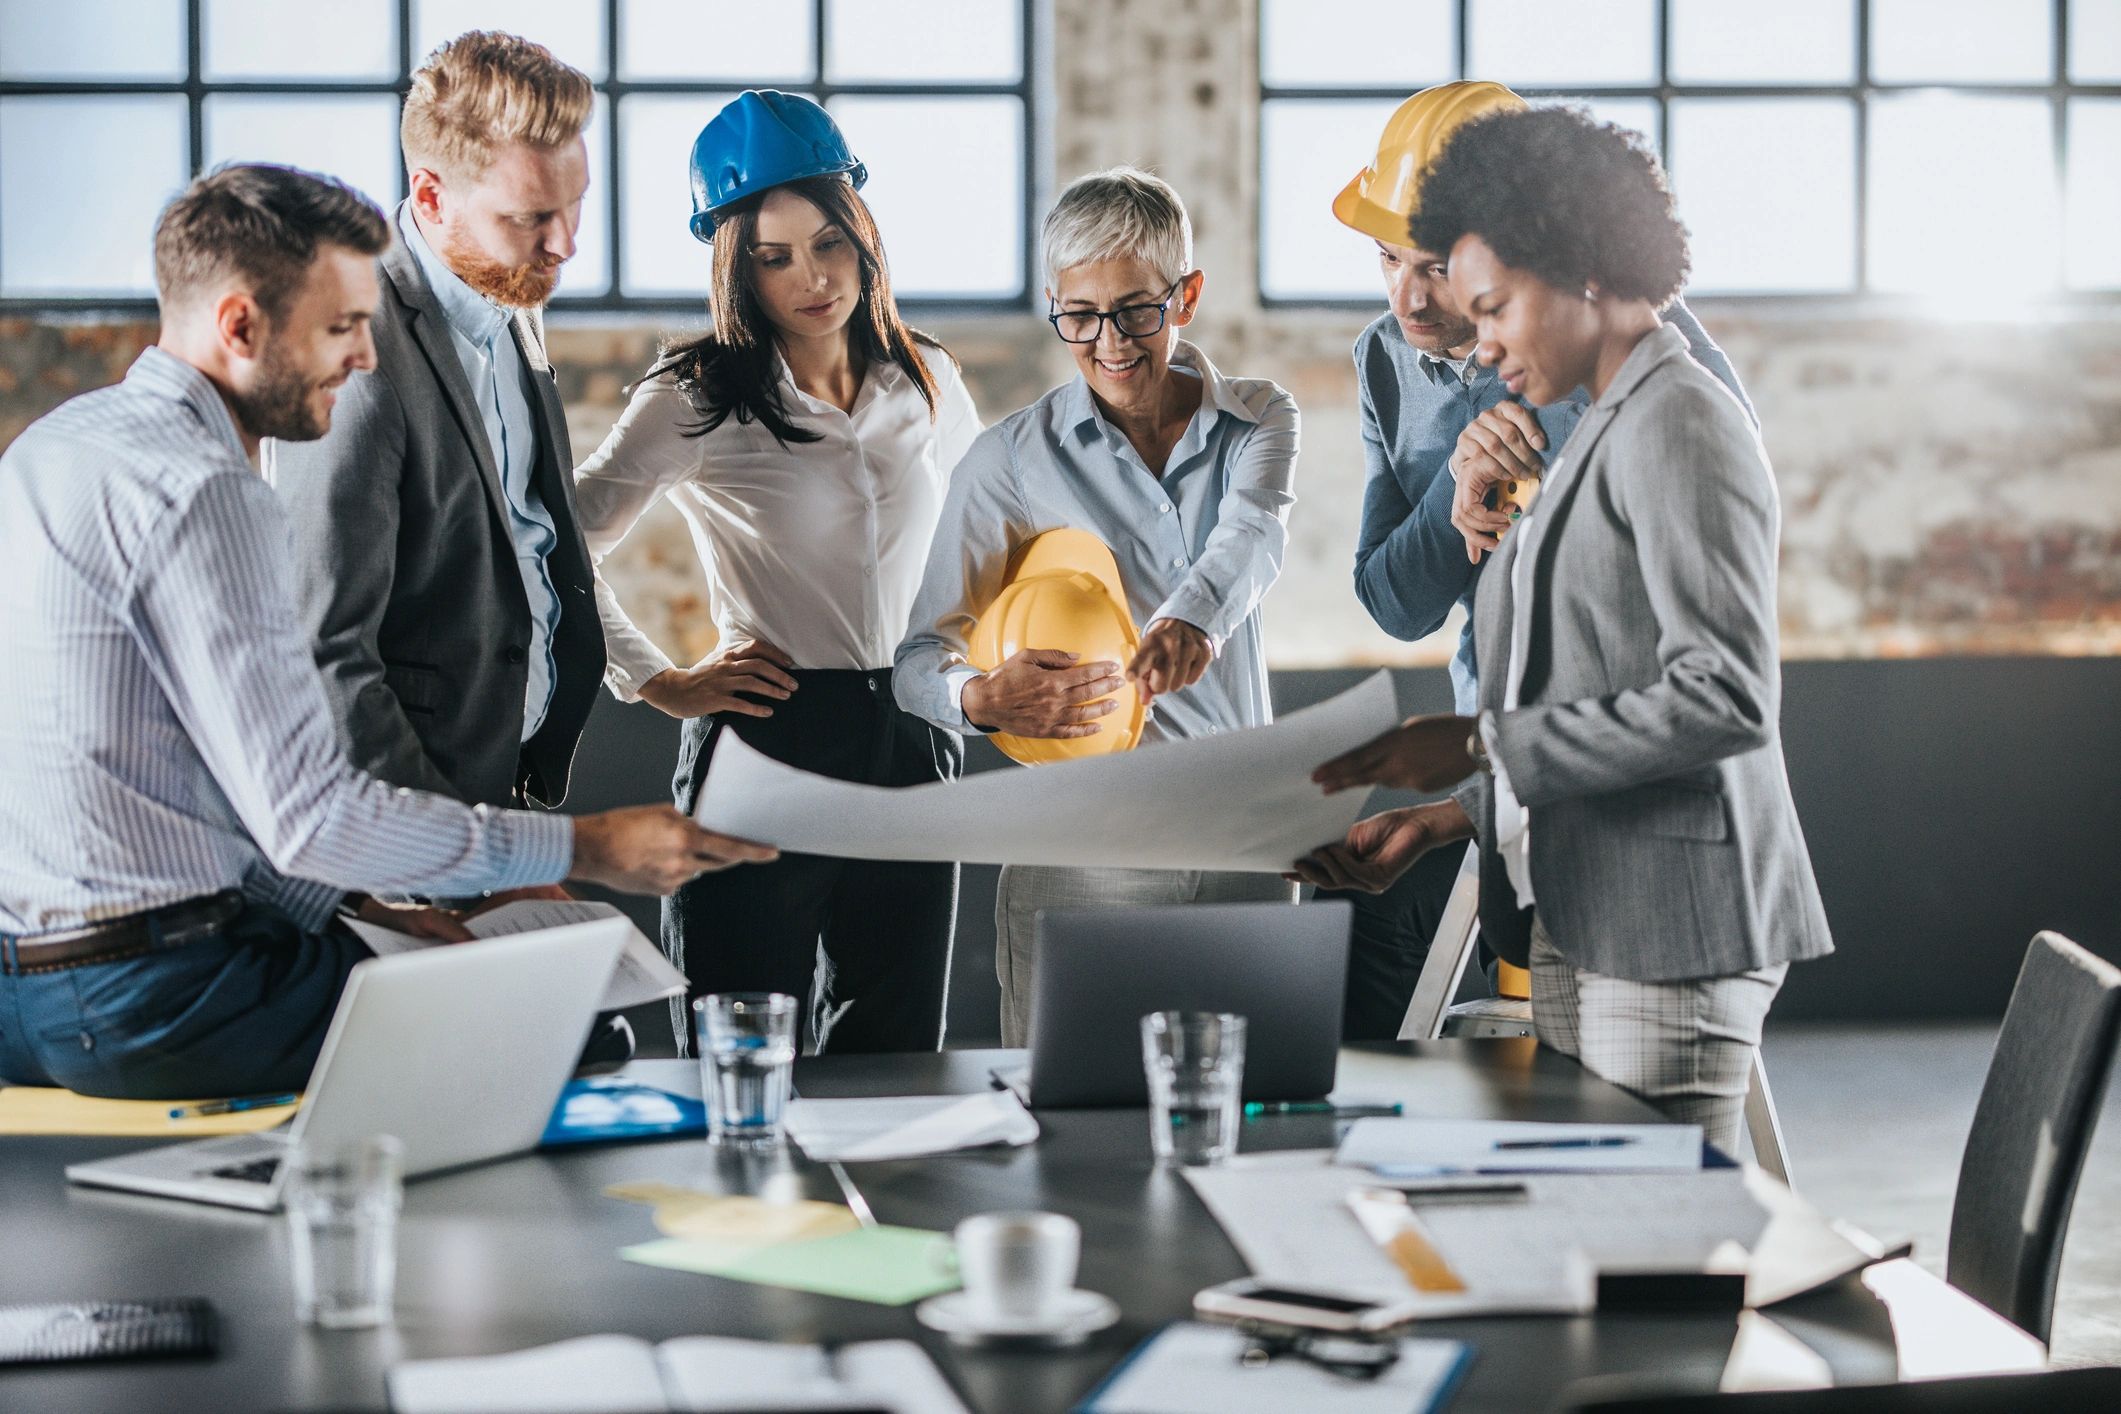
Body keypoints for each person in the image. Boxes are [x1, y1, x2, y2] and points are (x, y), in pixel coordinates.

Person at [0, 166, 771, 1102]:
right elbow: (311, 818)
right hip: (166, 993)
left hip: (29, 983)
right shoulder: (208, 489)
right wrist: (587, 847)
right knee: (577, 1035)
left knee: (431, 961)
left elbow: (180, 785)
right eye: (340, 328)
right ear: (240, 327)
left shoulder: (57, 446)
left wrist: (361, 905)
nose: (366, 359)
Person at [1302, 107, 1833, 1151]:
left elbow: (1722, 695)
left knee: (1654, 1258)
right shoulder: (1609, 413)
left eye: (1493, 306)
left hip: (1664, 915)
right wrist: (1457, 810)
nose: (1480, 338)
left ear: (1581, 274)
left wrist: (1476, 744)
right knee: (1597, 1230)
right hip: (1582, 895)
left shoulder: (1678, 416)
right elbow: (1574, 670)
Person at [574, 92, 981, 1054]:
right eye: (773, 255)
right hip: (771, 734)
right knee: (741, 1042)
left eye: (829, 242)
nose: (812, 277)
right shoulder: (694, 397)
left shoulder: (925, 376)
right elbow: (558, 544)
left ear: (862, 235)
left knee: (896, 1046)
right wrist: (655, 679)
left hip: (916, 736)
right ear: (734, 264)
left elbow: (980, 533)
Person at [895, 167, 1300, 1047]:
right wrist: (976, 697)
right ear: (1055, 305)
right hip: (1083, 852)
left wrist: (1191, 616)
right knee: (1067, 1128)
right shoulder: (1007, 461)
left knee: (1252, 1115)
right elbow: (918, 659)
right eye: (1079, 316)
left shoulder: (1262, 417)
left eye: (1135, 311)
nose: (1108, 342)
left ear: (1184, 295)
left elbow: (1253, 532)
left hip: (1245, 846)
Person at [268, 32, 605, 822]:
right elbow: (326, 655)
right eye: (531, 216)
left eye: (577, 200)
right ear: (430, 197)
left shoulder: (510, 292)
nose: (567, 242)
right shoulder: (352, 350)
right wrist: (446, 849)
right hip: (416, 822)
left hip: (508, 786)